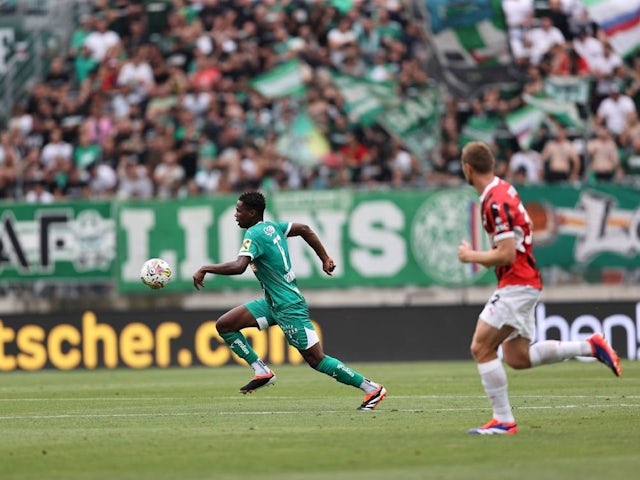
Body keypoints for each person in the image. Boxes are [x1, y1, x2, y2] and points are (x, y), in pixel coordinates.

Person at [456, 141, 622, 435]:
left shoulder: (493, 201)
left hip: (517, 283)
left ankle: (503, 420)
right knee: (518, 358)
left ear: (467, 168)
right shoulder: (503, 189)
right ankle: (590, 346)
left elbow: (506, 253)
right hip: (524, 279)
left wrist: (473, 257)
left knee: (481, 347)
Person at [192, 191, 387, 411]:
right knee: (226, 325)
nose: (236, 215)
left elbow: (239, 267)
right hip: (273, 303)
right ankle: (262, 371)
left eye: (239, 211)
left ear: (252, 212)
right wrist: (324, 258)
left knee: (316, 359)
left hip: (288, 306)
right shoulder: (272, 227)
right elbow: (304, 229)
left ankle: (372, 388)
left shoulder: (254, 234)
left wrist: (205, 268)